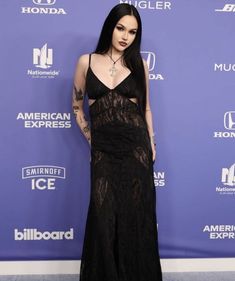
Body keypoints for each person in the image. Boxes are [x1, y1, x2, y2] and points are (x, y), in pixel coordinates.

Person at [72, 3, 162, 281]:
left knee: (136, 217)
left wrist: (151, 143)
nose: (125, 36)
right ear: (110, 27)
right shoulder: (86, 61)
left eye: (133, 32)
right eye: (121, 28)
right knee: (103, 216)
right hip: (104, 152)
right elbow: (77, 107)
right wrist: (92, 139)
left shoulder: (139, 65)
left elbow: (146, 107)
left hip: (136, 150)